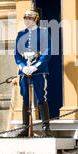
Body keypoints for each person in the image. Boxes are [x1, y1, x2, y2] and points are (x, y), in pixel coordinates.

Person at [14, 9, 52, 137]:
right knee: (25, 98)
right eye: (25, 18)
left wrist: (36, 66)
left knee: (41, 97)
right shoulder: (21, 34)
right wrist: (22, 67)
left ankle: (46, 128)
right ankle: (26, 127)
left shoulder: (43, 33)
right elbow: (17, 54)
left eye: (29, 18)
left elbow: (47, 51)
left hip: (38, 71)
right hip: (24, 72)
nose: (27, 20)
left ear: (35, 19)